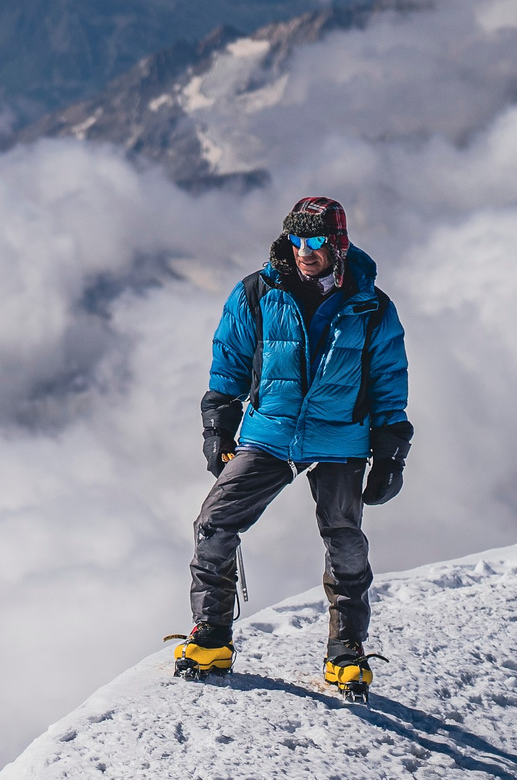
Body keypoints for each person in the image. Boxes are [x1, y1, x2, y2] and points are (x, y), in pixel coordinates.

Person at [174, 196, 412, 698]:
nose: (305, 250)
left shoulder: (373, 306)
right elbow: (230, 360)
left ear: (338, 244)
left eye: (317, 240)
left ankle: (346, 651)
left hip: (341, 435)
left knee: (344, 541)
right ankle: (213, 636)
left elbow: (389, 379)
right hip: (271, 432)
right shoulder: (257, 293)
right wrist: (219, 423)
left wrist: (390, 450)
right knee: (213, 526)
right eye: (298, 239)